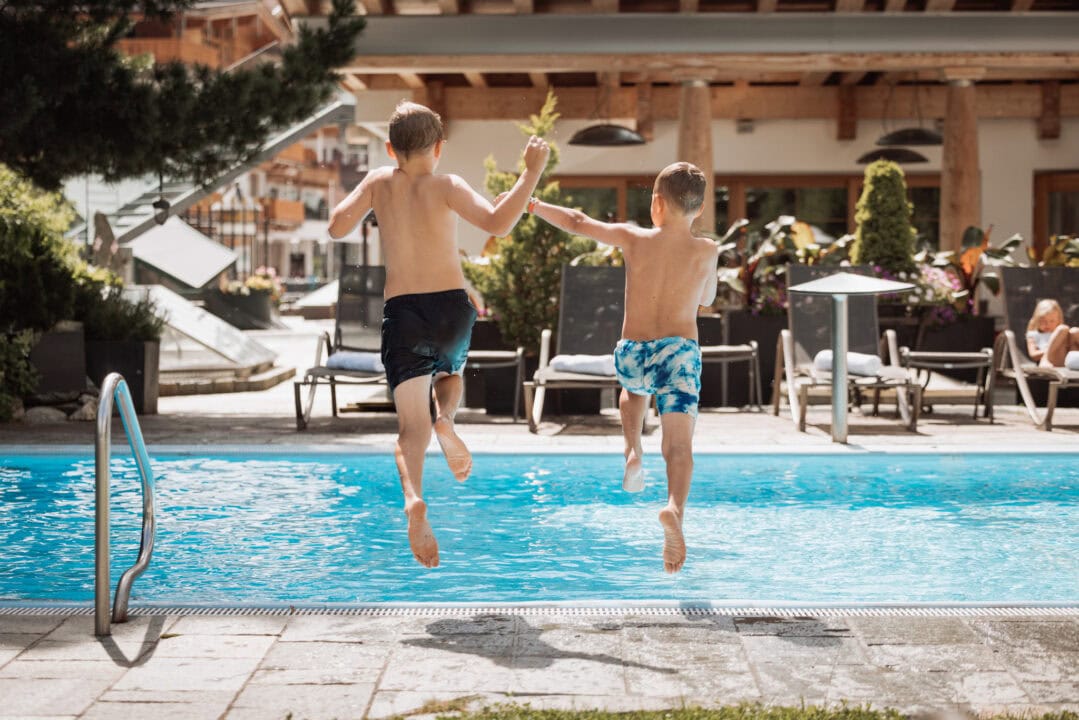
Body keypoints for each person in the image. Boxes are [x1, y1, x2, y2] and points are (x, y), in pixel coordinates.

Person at [328, 101, 549, 569]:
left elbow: (336, 227)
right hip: (451, 306)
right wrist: (530, 172)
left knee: (410, 430)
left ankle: (413, 499)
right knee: (450, 375)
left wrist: (367, 191)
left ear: (390, 148)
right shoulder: (448, 184)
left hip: (403, 312)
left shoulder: (379, 182)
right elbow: (498, 222)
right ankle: (446, 417)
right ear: (439, 148)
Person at [529, 162, 719, 573]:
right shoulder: (706, 250)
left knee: (633, 393)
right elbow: (707, 298)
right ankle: (674, 511)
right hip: (680, 351)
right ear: (698, 210)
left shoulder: (634, 239)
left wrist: (535, 204)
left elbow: (579, 222)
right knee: (679, 445)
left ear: (656, 205)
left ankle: (633, 450)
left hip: (633, 348)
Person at [1027, 298, 1079, 368]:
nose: (1048, 324)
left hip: (1070, 361)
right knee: (1063, 328)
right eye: (1043, 321)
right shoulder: (1033, 335)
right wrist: (1050, 349)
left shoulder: (1063, 334)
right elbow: (1033, 355)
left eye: (1052, 321)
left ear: (1058, 320)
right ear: (1037, 320)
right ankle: (1046, 358)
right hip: (1052, 363)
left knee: (1074, 331)